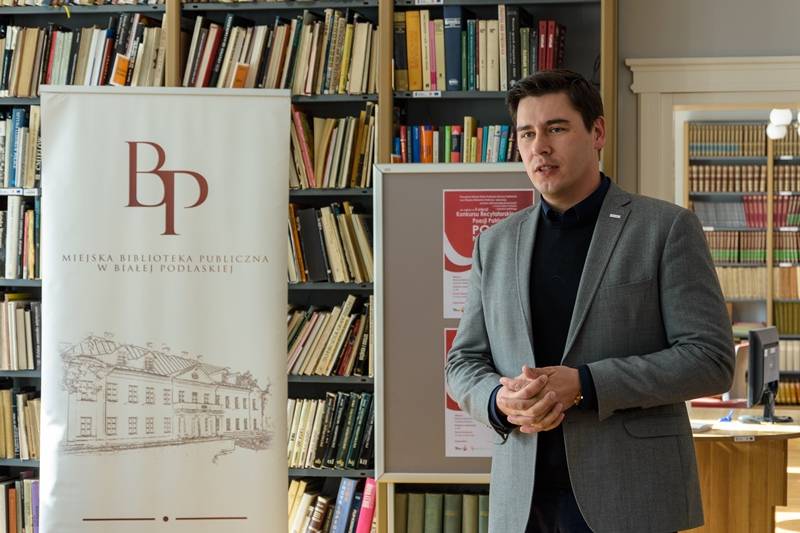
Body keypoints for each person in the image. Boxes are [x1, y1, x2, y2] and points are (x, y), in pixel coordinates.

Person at [445, 69, 734, 533]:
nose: (539, 147)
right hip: (522, 501)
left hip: (630, 496)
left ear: (597, 133)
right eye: (527, 133)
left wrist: (586, 384)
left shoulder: (665, 229)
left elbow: (709, 360)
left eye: (556, 128)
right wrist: (498, 400)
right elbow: (463, 363)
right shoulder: (494, 243)